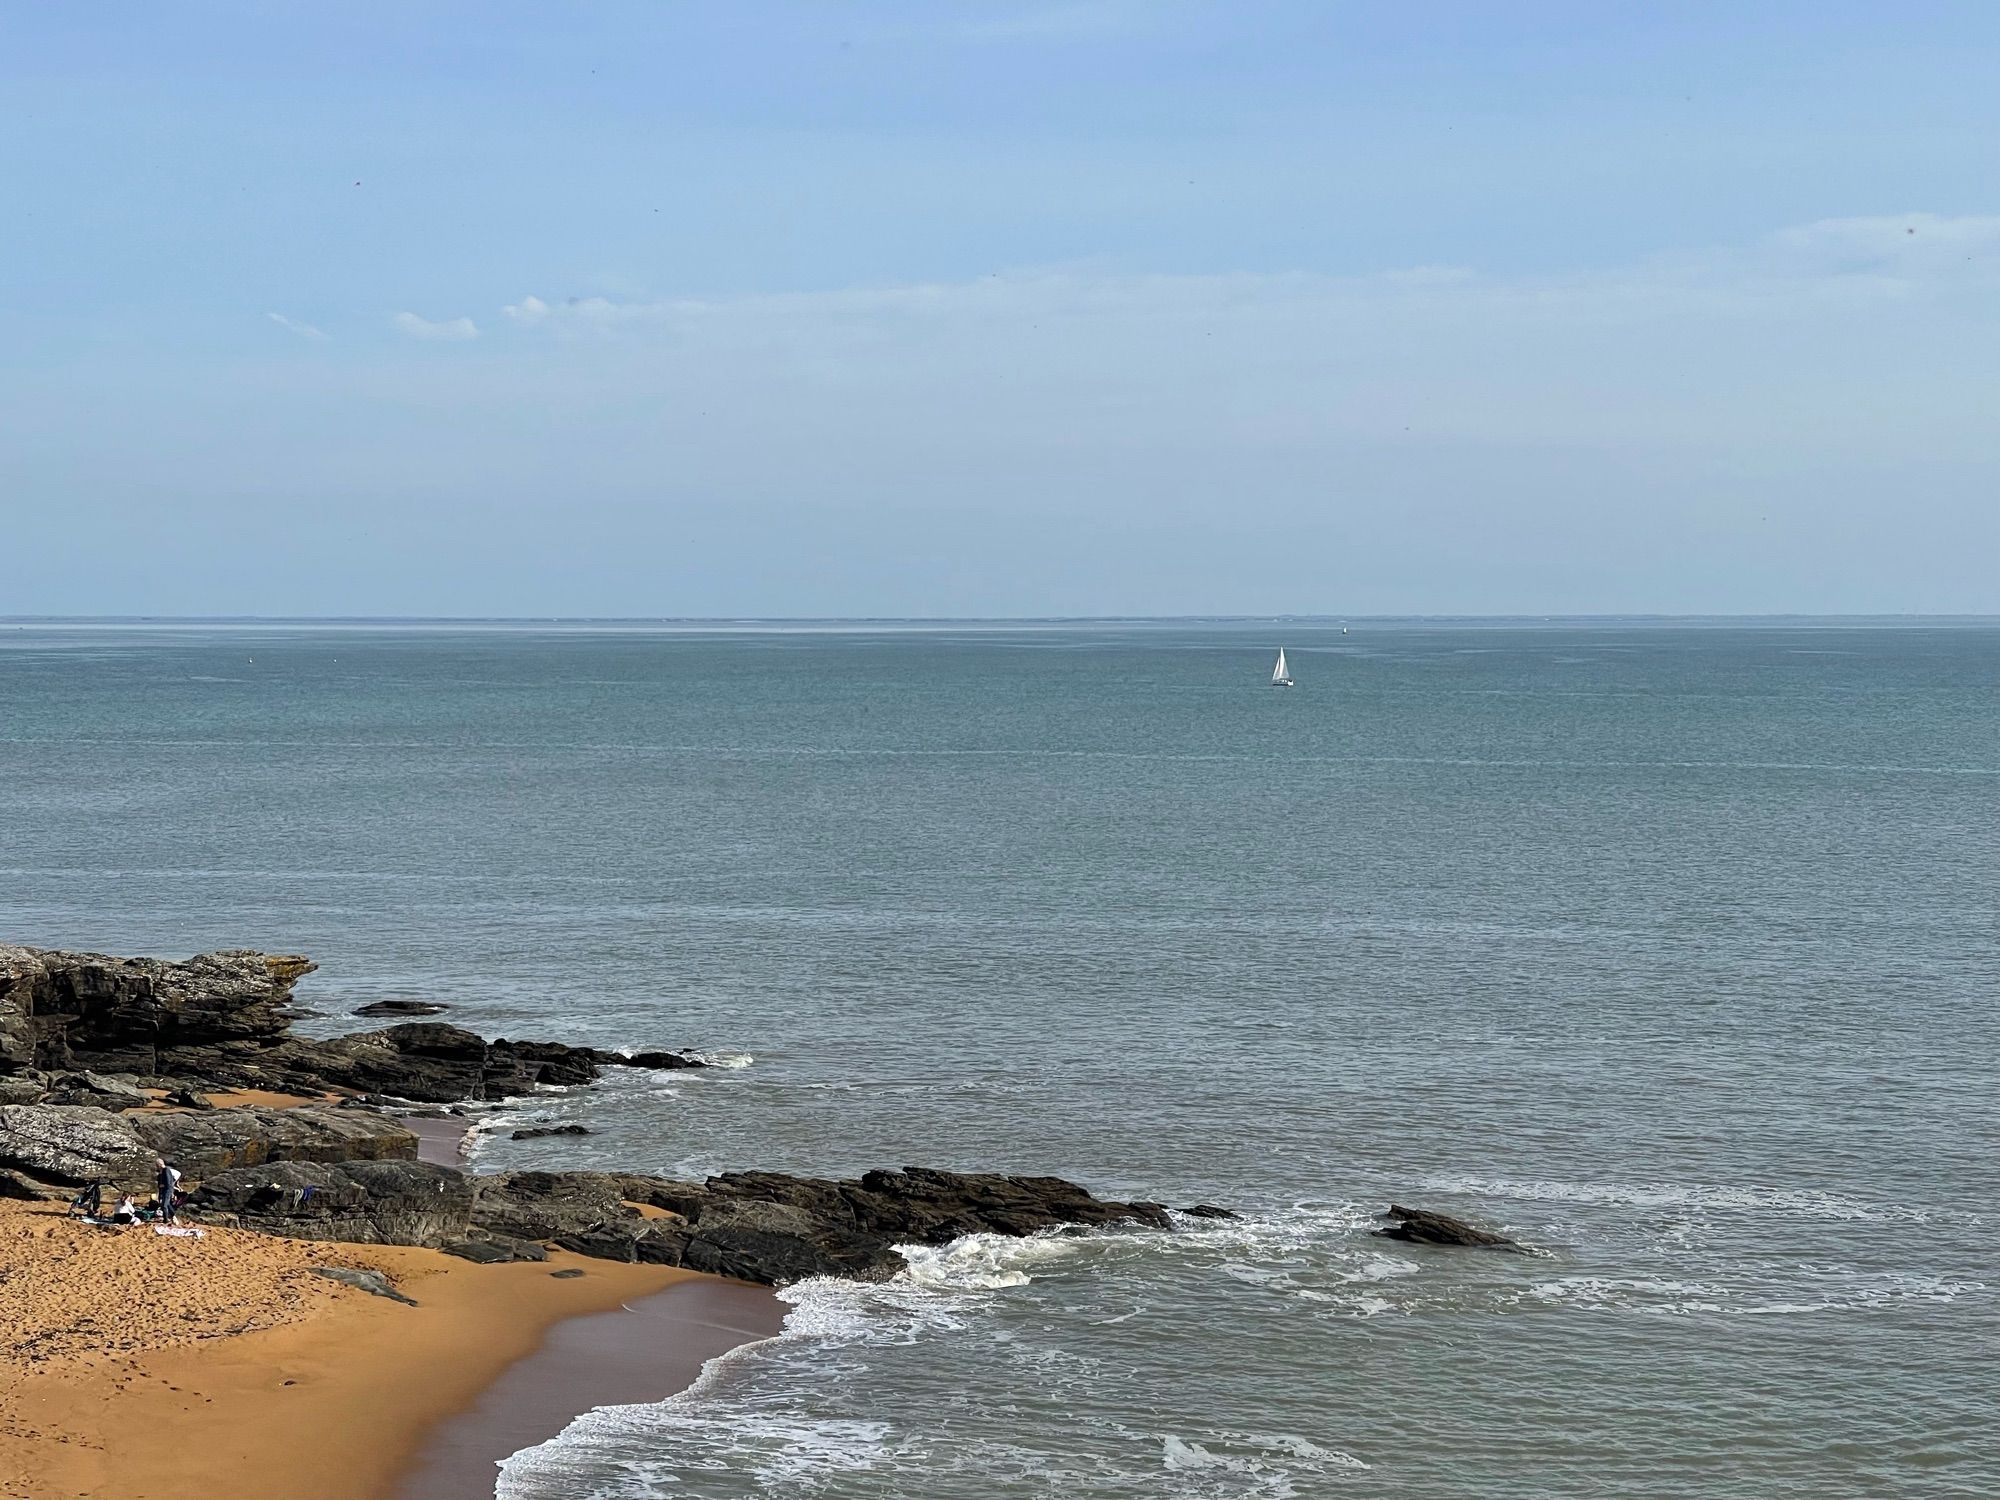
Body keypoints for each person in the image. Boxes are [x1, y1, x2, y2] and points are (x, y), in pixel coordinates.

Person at [156, 1158, 182, 1226]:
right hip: (165, 1190)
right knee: (167, 1204)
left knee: (164, 1205)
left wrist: (162, 1185)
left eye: (157, 1165)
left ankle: (166, 1219)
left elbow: (168, 1183)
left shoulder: (166, 1170)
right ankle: (173, 1216)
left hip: (167, 1190)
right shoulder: (162, 1172)